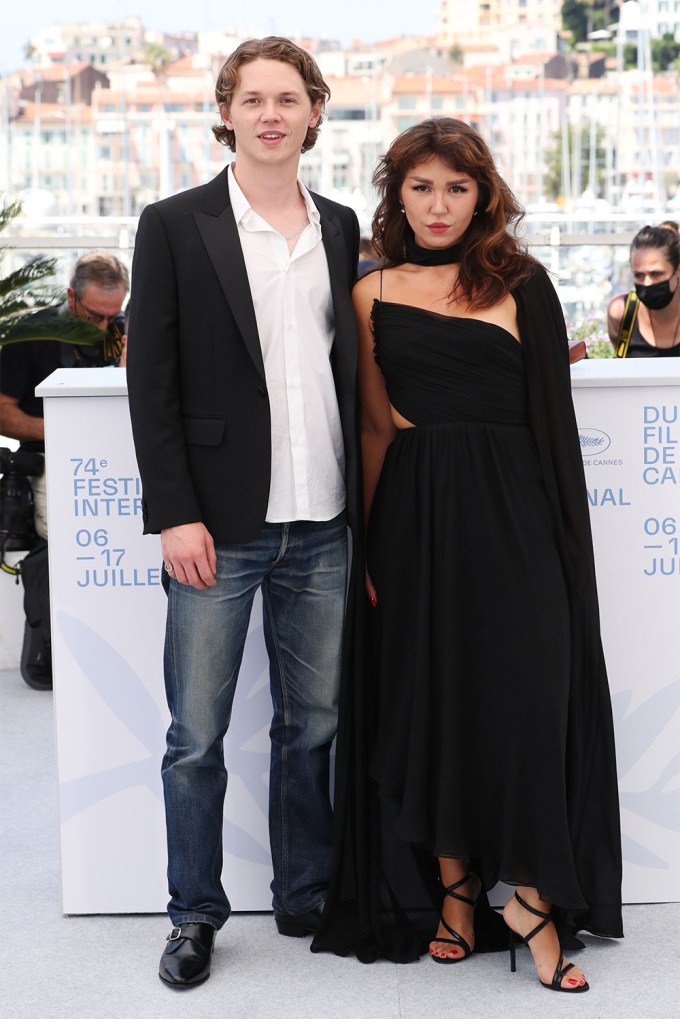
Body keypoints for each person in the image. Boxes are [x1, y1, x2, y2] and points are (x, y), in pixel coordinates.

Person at [312, 118, 623, 992]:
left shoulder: (523, 282)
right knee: (433, 701)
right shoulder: (371, 292)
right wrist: (367, 544)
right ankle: (455, 894)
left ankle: (527, 894)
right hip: (413, 517)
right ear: (397, 194)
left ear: (482, 193)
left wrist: (563, 544)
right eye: (422, 187)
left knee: (525, 700)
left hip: (516, 516)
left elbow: (550, 426)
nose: (439, 204)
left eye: (457, 186)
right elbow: (374, 426)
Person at [125, 37, 360, 990]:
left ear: (313, 112)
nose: (271, 113)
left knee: (313, 723)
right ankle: (193, 914)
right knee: (197, 735)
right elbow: (154, 381)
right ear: (226, 112)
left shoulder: (341, 226)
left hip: (327, 518)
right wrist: (175, 512)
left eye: (288, 98)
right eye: (252, 99)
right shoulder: (175, 223)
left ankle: (305, 891)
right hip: (219, 527)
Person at [0, 252, 129, 689]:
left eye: (112, 316)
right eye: (95, 315)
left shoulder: (123, 330)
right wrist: (63, 431)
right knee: (68, 543)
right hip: (50, 461)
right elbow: (2, 412)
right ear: (72, 297)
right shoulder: (32, 332)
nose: (102, 326)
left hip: (120, 460)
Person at [607, 222, 680, 357]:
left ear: (677, 270)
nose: (647, 283)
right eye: (639, 275)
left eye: (656, 274)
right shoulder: (621, 313)